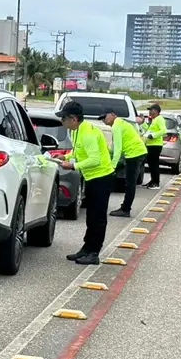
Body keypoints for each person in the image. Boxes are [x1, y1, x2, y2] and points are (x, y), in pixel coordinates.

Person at [56, 100, 114, 265]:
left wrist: (73, 165)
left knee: (97, 218)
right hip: (91, 178)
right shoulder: (76, 131)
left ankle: (94, 253)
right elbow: (78, 151)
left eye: (64, 118)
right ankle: (86, 248)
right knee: (90, 216)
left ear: (73, 119)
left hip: (101, 178)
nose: (62, 121)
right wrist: (65, 156)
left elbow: (94, 159)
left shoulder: (88, 133)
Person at [99, 109, 147, 217]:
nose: (104, 120)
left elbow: (118, 149)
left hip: (134, 154)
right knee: (130, 183)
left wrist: (112, 166)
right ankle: (125, 208)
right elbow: (115, 147)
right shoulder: (120, 123)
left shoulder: (116, 126)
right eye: (101, 119)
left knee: (130, 183)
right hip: (137, 152)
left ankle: (126, 209)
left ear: (112, 114)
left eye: (105, 117)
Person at [143, 103, 167, 189]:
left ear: (156, 111)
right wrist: (142, 123)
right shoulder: (154, 119)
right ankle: (153, 180)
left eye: (151, 110)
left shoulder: (159, 119)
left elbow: (163, 130)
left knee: (154, 164)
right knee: (151, 164)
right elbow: (149, 130)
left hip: (155, 145)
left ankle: (156, 183)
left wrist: (153, 135)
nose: (149, 112)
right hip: (150, 145)